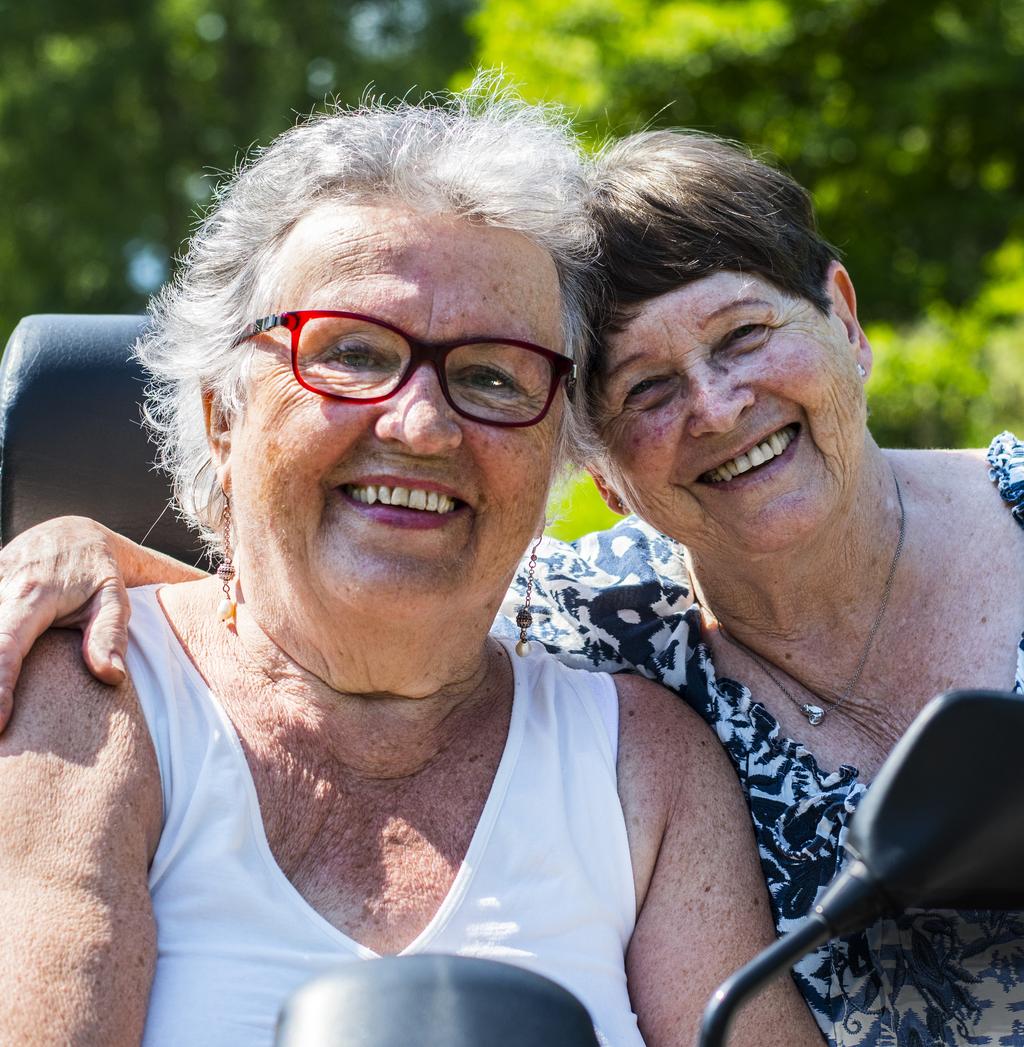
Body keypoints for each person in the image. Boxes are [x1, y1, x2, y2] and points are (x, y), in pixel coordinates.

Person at [4, 124, 1022, 1045]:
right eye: (354, 355)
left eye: (491, 376)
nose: (423, 424)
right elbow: (315, 623)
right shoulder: (97, 695)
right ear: (222, 415)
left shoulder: (639, 746)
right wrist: (87, 541)